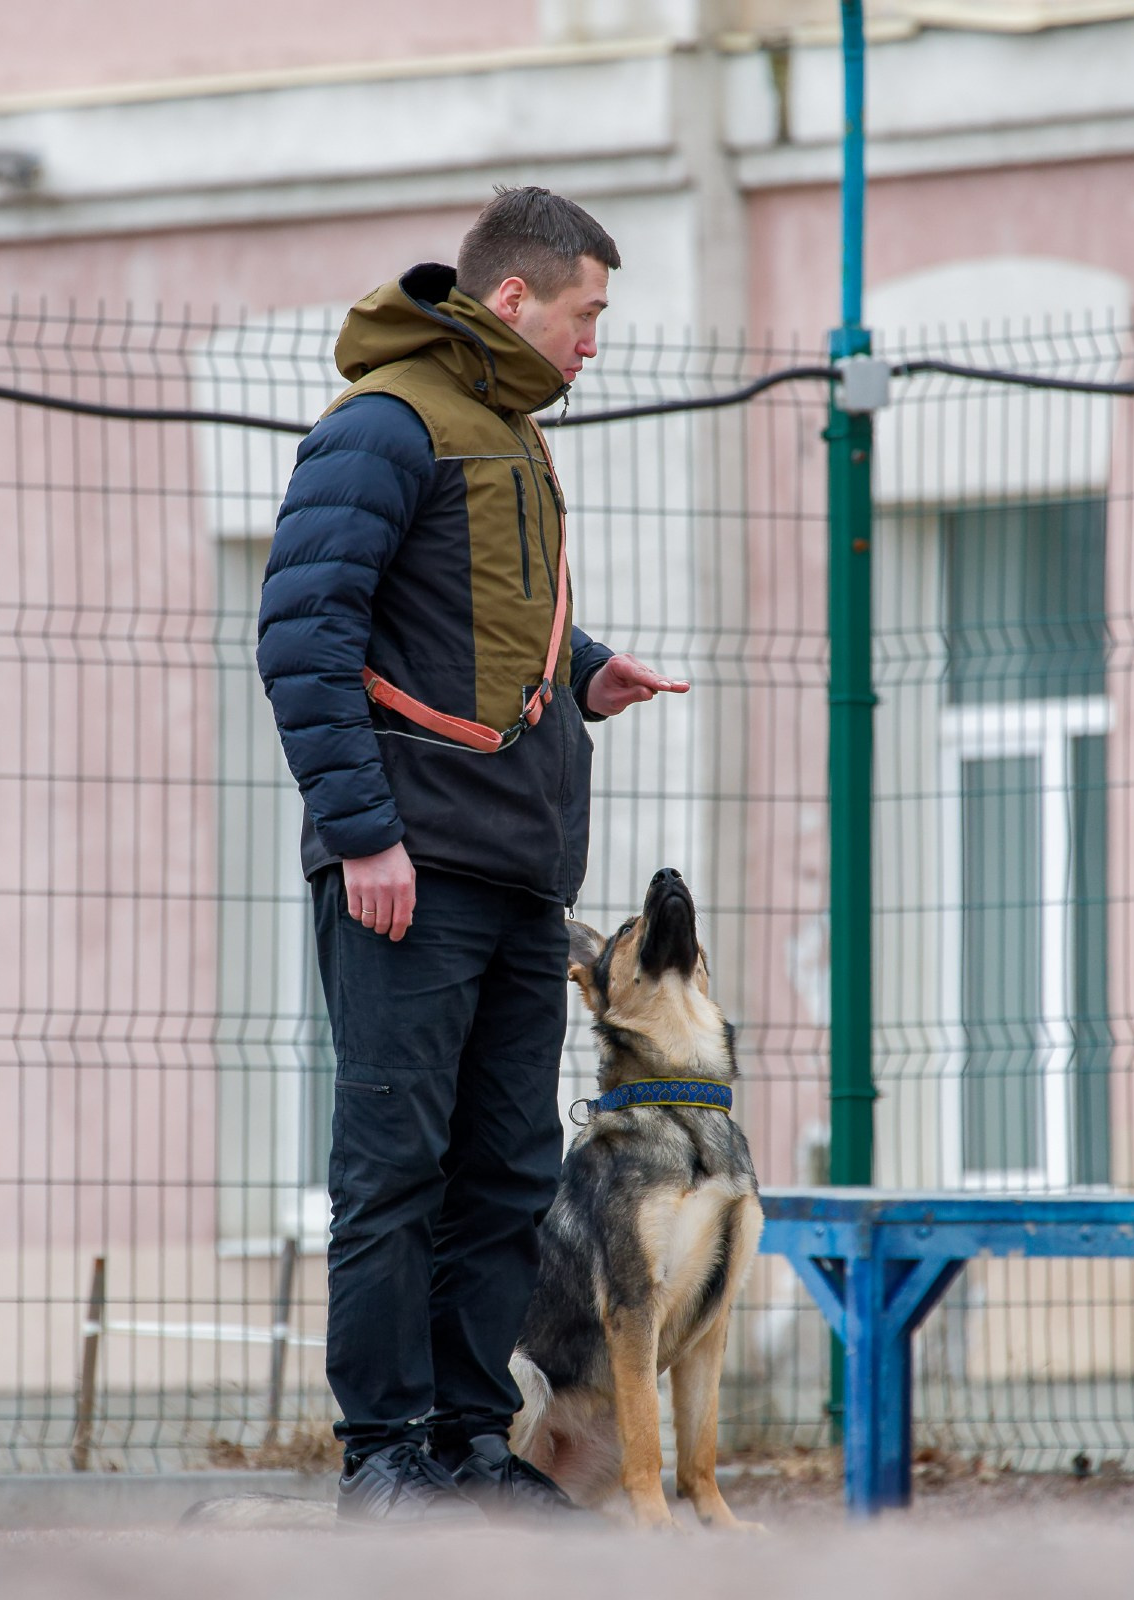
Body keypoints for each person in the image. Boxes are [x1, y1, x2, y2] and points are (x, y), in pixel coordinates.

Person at [257, 187, 686, 1523]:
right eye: (586, 314)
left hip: (514, 875)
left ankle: (463, 1441)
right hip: (409, 869)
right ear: (515, 300)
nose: (593, 343)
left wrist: (591, 669)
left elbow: (473, 623)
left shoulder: (505, 437)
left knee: (505, 1168)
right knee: (396, 1168)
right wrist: (363, 834)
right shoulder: (381, 428)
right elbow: (305, 636)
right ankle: (381, 1455)